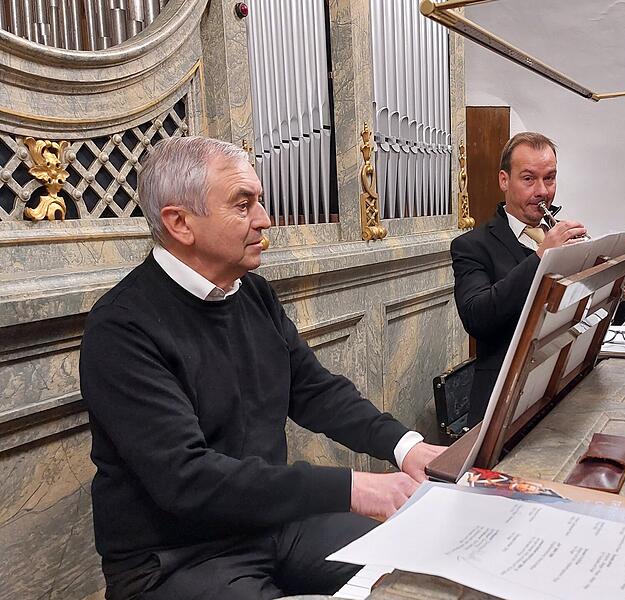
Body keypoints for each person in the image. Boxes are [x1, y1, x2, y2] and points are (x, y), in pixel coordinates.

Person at [79, 136, 444, 600]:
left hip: (269, 526)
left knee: (419, 570)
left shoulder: (251, 292)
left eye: (260, 201)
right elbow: (187, 479)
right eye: (243, 204)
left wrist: (406, 446)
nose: (264, 220)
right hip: (176, 558)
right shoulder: (122, 328)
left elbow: (315, 391)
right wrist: (352, 487)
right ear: (180, 223)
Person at [451, 132, 625, 427]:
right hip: (504, 404)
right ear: (504, 181)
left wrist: (605, 273)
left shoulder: (562, 237)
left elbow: (613, 317)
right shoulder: (472, 245)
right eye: (529, 179)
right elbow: (477, 317)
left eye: (550, 179)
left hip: (563, 390)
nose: (542, 191)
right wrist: (540, 258)